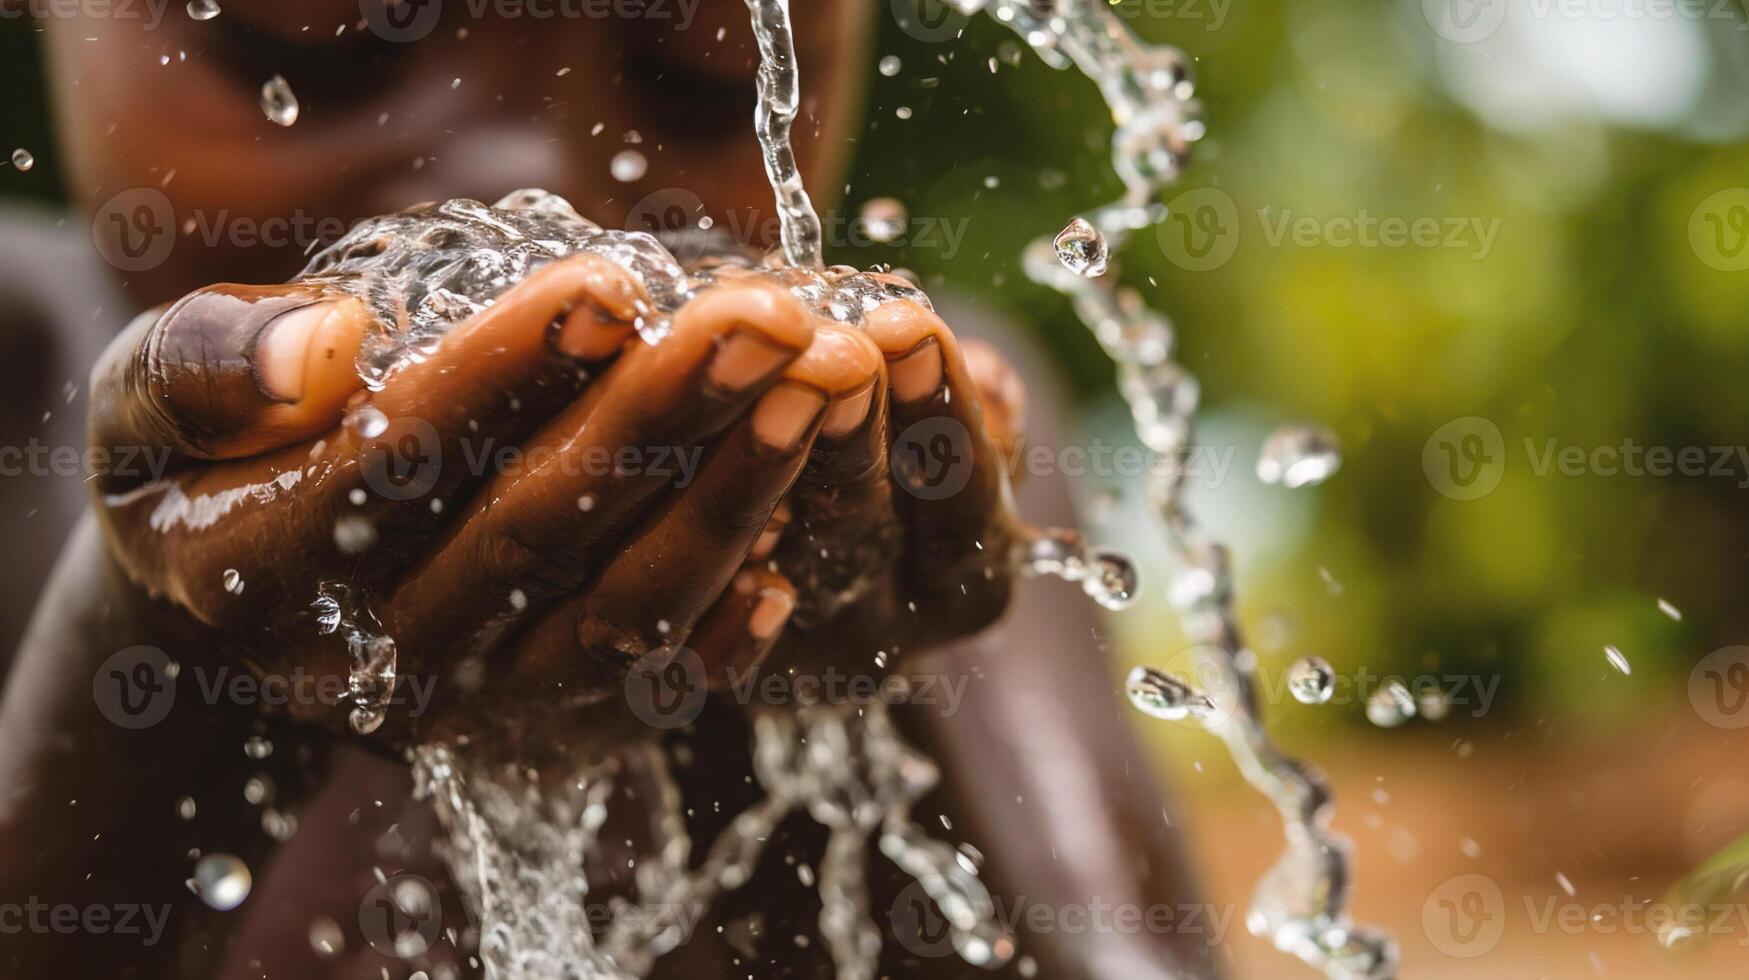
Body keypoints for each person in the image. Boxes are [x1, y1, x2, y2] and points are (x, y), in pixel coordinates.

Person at [0, 2, 1217, 977]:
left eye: (705, 72)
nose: (524, 179)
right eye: (317, 45)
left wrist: (838, 681)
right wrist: (158, 665)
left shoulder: (919, 426)